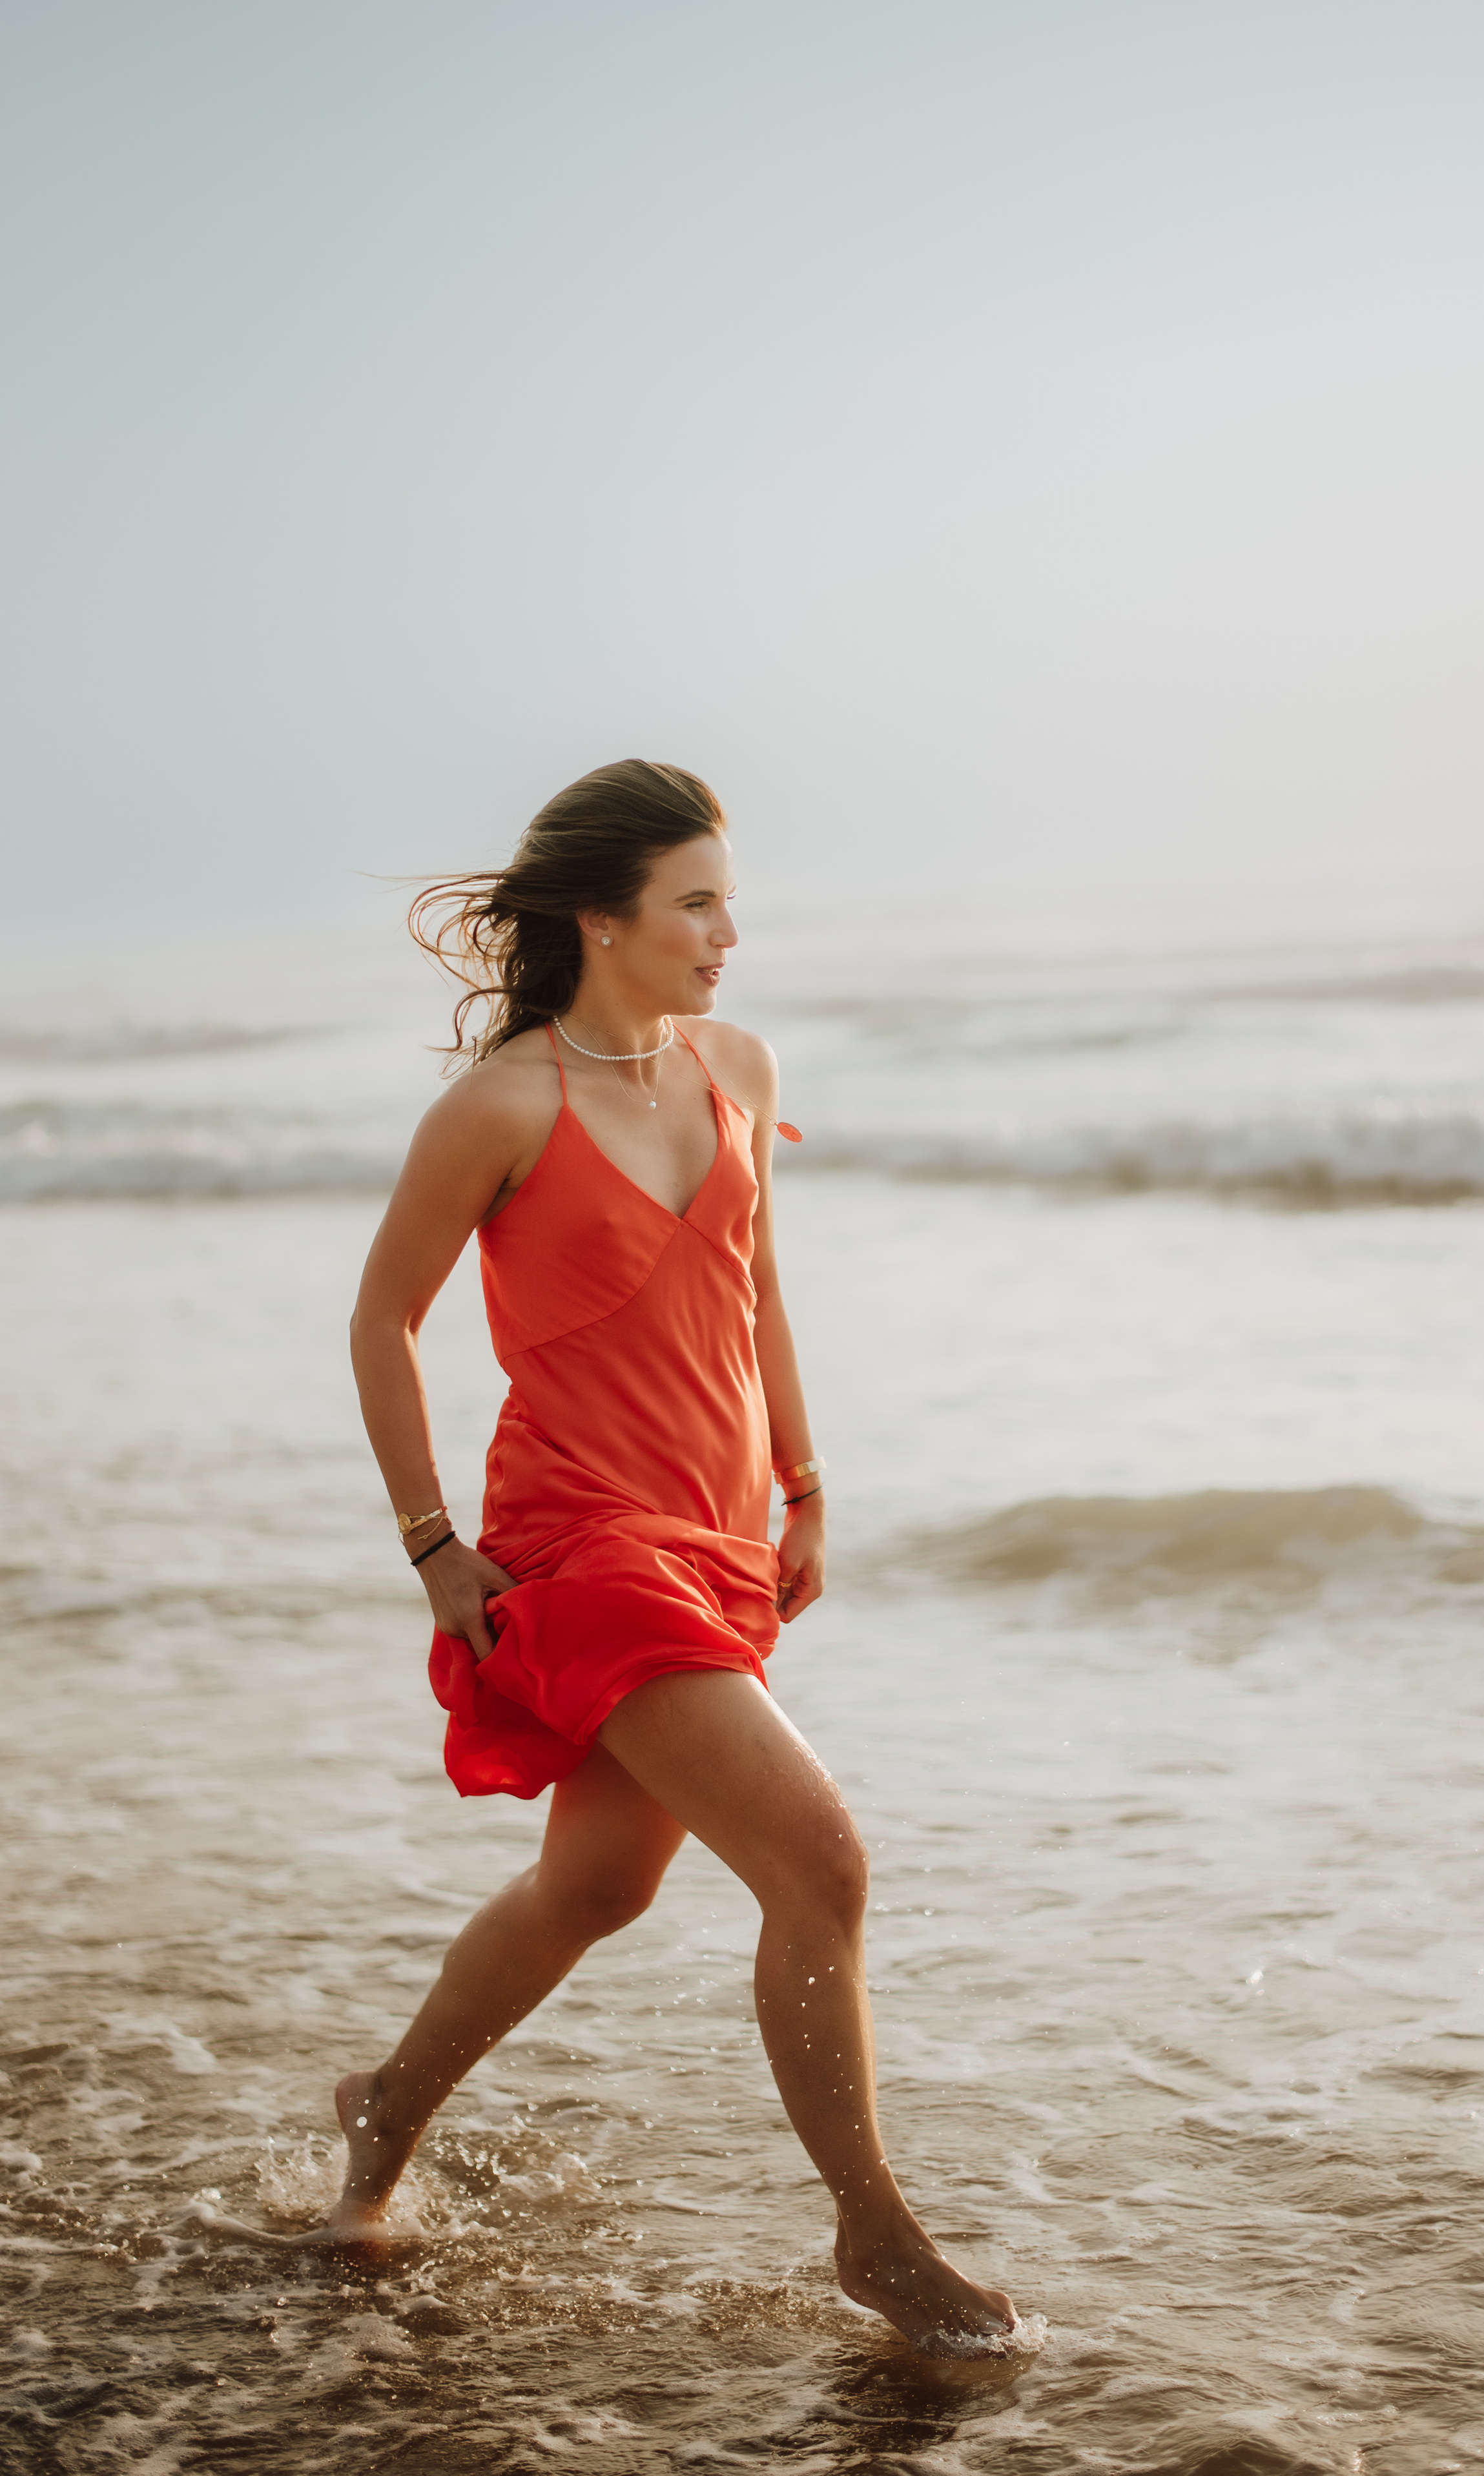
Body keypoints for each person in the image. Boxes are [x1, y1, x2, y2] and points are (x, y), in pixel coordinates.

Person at [327, 760, 1018, 2350]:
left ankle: (384, 2108)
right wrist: (433, 1544)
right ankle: (874, 2233)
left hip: (714, 1535)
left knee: (594, 1887)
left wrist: (805, 1485)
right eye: (695, 901)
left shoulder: (739, 1069)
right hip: (578, 1543)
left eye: (728, 899)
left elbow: (759, 1286)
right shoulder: (502, 1105)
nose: (726, 931)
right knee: (821, 1862)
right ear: (602, 917)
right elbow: (382, 1320)